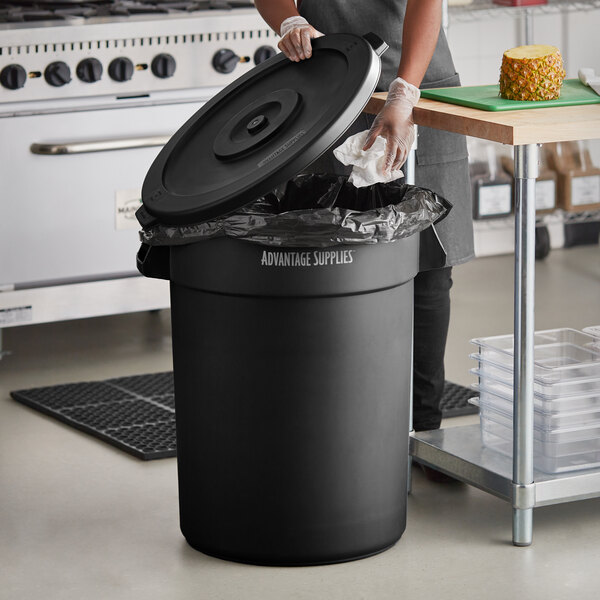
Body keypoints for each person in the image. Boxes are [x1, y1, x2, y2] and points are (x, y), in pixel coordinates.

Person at [254, 0, 474, 437]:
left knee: (429, 270)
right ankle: (342, 424)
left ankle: (424, 427)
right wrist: (289, 19)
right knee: (330, 265)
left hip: (417, 82)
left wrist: (404, 92)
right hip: (330, 89)